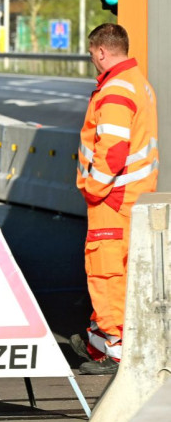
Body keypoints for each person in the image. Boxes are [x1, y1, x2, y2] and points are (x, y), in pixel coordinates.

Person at [69, 23, 158, 375]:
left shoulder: (116, 90)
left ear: (102, 51)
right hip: (133, 195)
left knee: (105, 272)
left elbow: (113, 149)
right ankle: (98, 340)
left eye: (92, 53)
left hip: (113, 197)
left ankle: (115, 348)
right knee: (120, 272)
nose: (92, 58)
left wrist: (94, 188)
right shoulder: (137, 82)